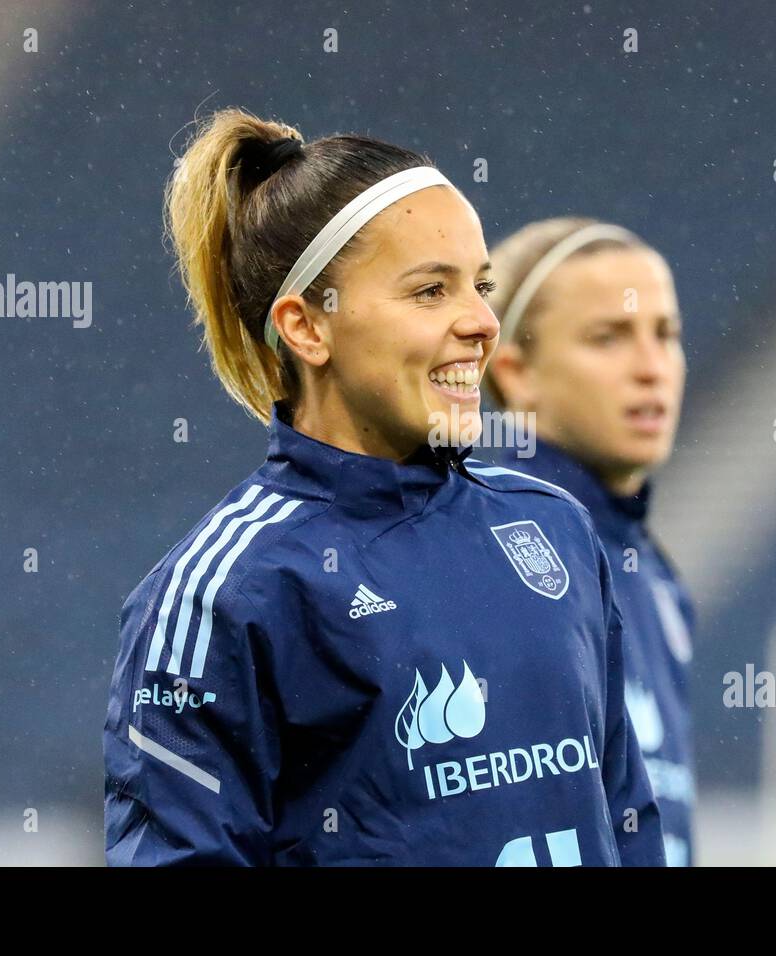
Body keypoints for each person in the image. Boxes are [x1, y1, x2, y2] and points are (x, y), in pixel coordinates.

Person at [102, 109, 664, 866]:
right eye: (431, 291)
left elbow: (627, 819)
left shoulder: (554, 527)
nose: (482, 324)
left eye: (481, 286)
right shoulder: (229, 593)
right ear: (307, 327)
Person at [482, 218, 698, 865]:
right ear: (517, 373)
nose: (651, 367)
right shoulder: (482, 553)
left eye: (666, 335)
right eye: (609, 338)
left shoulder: (659, 578)